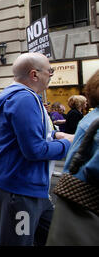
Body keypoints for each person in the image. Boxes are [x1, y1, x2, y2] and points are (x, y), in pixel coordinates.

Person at [0, 52, 73, 246]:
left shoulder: (23, 97)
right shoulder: (24, 99)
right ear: (34, 74)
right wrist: (69, 144)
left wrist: (55, 135)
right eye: (50, 71)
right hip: (21, 189)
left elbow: (27, 137)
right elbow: (34, 150)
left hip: (30, 188)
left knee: (54, 237)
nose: (51, 75)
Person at [46, 70, 99, 245]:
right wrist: (63, 142)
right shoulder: (90, 120)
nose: (50, 74)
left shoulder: (89, 117)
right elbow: (33, 149)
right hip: (85, 211)